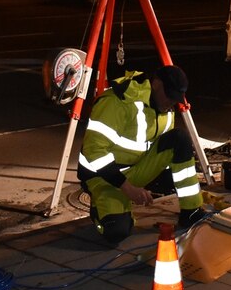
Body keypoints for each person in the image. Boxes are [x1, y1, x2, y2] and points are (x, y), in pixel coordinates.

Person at [78, 65, 207, 244]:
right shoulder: (118, 101)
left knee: (180, 139)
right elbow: (95, 152)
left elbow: (162, 147)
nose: (171, 102)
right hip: (103, 178)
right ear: (156, 84)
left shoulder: (166, 108)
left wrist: (170, 174)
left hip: (137, 169)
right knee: (116, 231)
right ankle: (100, 210)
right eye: (169, 95)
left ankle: (191, 211)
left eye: (175, 98)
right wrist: (128, 188)